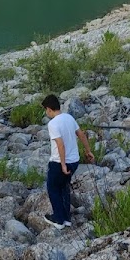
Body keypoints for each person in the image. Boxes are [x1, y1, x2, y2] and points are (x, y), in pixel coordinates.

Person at [41, 93, 94, 228]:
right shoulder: (69, 118)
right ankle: (66, 218)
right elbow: (81, 134)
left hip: (59, 162)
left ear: (49, 109)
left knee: (53, 188)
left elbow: (60, 144)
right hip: (74, 160)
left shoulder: (53, 124)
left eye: (45, 110)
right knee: (64, 187)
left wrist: (63, 164)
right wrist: (88, 151)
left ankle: (58, 219)